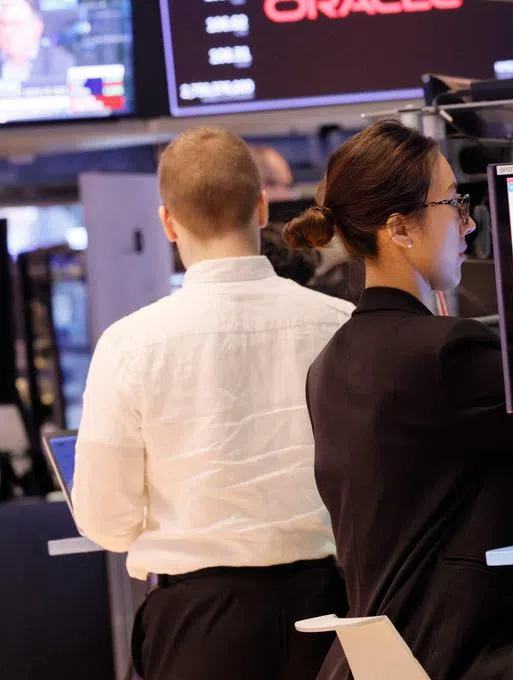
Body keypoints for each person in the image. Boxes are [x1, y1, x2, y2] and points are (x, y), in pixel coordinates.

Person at [283, 121, 513, 680]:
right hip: (469, 659)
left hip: (382, 660)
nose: (468, 223)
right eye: (453, 203)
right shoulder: (447, 353)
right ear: (399, 228)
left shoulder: (327, 366)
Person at [73, 128, 355, 680]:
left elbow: (106, 521)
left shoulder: (129, 345)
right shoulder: (338, 324)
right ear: (262, 207)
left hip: (198, 625)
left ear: (167, 222)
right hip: (332, 610)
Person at [0, 0, 75, 90]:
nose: (7, 32)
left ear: (37, 27)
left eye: (16, 24)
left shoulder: (62, 63)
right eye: (3, 24)